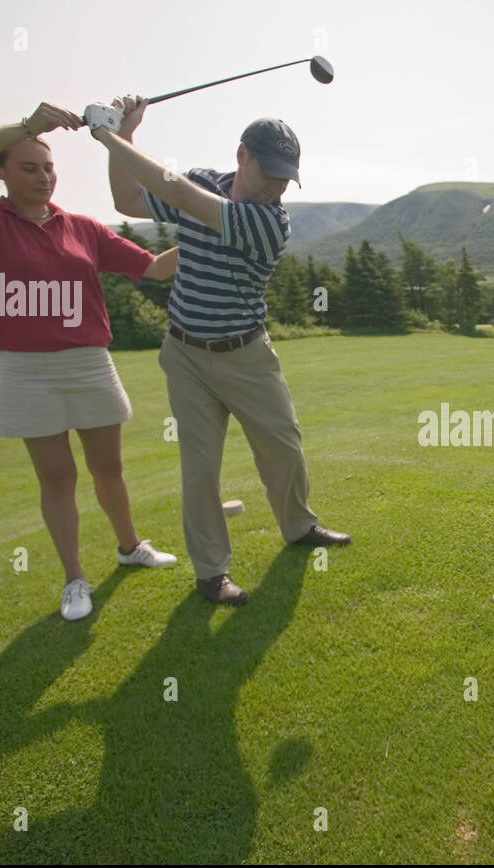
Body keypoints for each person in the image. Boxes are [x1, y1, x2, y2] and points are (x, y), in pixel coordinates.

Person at [85, 96, 349, 607]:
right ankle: (211, 574)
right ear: (242, 156)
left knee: (284, 446)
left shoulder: (270, 223)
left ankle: (298, 526)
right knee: (199, 467)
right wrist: (125, 139)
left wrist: (109, 136)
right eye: (270, 171)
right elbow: (128, 199)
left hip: (247, 352)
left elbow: (178, 193)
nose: (276, 185)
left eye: (286, 177)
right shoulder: (206, 180)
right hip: (186, 353)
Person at [0, 102, 180, 622]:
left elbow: (155, 269)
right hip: (26, 369)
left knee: (109, 468)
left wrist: (209, 229)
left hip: (90, 361)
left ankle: (129, 546)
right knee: (58, 478)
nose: (44, 176)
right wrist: (28, 127)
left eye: (48, 167)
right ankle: (74, 579)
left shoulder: (83, 229)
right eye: (28, 167)